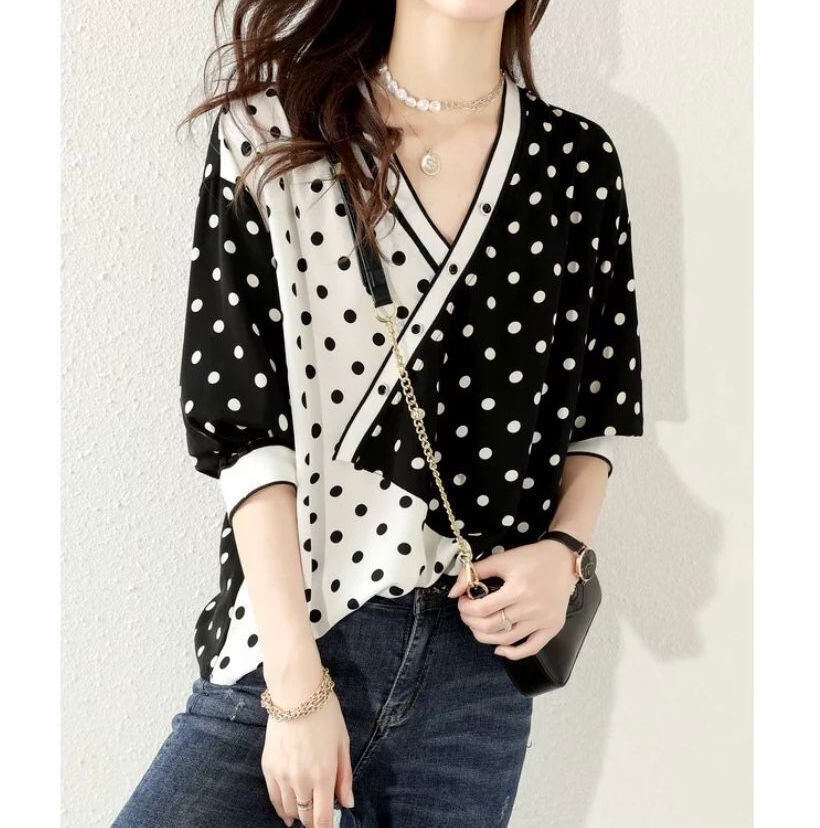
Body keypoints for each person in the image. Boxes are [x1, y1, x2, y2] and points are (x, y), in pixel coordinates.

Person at [114, 1, 644, 826]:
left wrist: (566, 552)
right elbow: (243, 428)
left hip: (476, 677)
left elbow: (596, 409)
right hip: (294, 636)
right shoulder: (272, 134)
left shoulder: (574, 163)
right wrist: (295, 684)